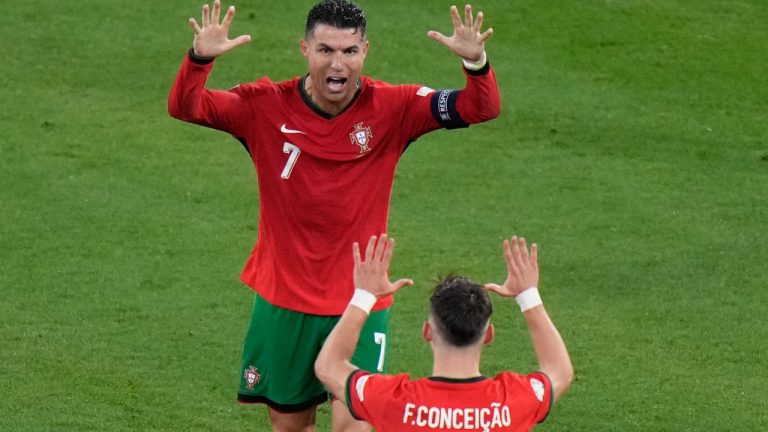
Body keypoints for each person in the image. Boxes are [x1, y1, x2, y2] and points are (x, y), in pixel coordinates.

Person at [168, 0, 500, 430]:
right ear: (304, 49)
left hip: (361, 298)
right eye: (325, 50)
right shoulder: (264, 106)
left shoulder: (394, 108)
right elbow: (186, 107)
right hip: (284, 297)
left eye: (349, 51)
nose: (337, 63)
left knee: (355, 424)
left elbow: (480, 108)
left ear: (365, 51)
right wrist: (200, 60)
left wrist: (475, 61)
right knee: (291, 426)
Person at [315, 234, 574, 431]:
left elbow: (329, 366)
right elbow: (559, 370)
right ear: (489, 335)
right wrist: (528, 296)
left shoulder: (394, 401)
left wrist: (364, 295)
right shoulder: (514, 401)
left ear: (427, 332)